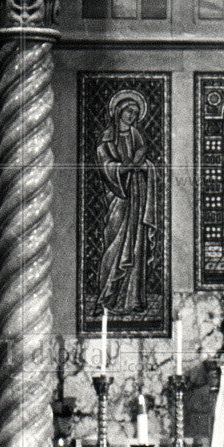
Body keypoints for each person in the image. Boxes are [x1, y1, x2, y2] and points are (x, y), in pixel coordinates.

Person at [96, 91, 158, 314]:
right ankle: (108, 296)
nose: (131, 116)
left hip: (138, 195)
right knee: (115, 244)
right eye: (128, 111)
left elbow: (147, 164)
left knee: (137, 244)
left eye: (135, 113)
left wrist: (143, 167)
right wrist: (122, 169)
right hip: (119, 197)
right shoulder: (107, 139)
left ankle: (133, 299)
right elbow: (105, 165)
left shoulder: (136, 137)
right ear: (118, 112)